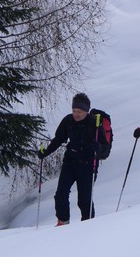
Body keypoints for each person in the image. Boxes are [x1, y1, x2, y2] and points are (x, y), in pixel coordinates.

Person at [38, 93, 109, 225]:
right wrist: (45, 152)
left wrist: (98, 147)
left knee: (84, 199)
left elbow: (105, 151)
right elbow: (58, 139)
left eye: (79, 111)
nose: (76, 114)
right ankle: (63, 222)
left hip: (88, 165)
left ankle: (88, 224)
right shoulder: (68, 120)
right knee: (60, 194)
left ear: (86, 111)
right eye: (74, 110)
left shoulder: (94, 123)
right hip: (70, 162)